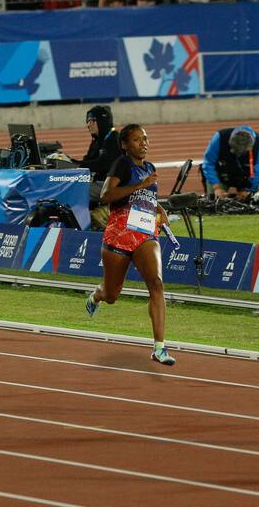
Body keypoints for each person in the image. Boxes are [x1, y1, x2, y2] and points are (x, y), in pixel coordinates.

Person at [85, 123, 176, 366]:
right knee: (112, 294)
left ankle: (159, 348)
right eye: (137, 140)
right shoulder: (122, 164)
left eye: (145, 139)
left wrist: (161, 210)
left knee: (156, 283)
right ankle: (96, 295)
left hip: (146, 232)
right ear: (125, 145)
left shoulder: (150, 168)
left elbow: (148, 199)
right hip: (120, 232)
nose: (143, 143)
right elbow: (106, 196)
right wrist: (140, 185)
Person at [71, 105, 122, 230]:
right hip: (99, 183)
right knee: (74, 186)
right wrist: (70, 162)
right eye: (87, 121)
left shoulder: (113, 139)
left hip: (110, 186)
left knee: (75, 191)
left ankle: (85, 225)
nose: (88, 125)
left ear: (101, 121)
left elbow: (101, 164)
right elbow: (87, 161)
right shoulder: (98, 140)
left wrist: (75, 164)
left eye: (91, 121)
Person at [201, 125, 259, 201]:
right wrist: (216, 187)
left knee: (254, 200)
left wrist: (248, 189)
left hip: (247, 176)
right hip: (222, 173)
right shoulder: (219, 137)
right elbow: (208, 164)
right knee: (213, 201)